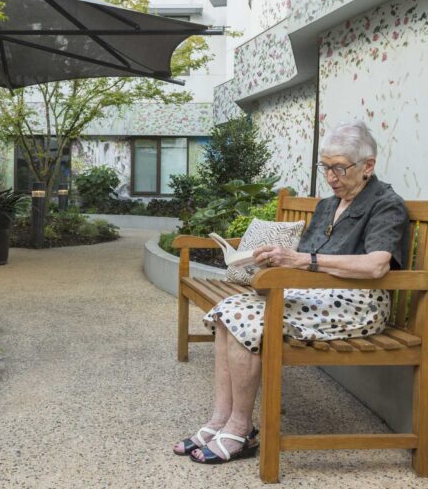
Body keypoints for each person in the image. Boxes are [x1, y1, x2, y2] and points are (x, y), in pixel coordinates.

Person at [173, 120, 409, 465]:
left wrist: (302, 260)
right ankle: (220, 420)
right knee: (228, 310)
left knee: (244, 318)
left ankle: (241, 427)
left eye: (339, 167)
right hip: (318, 296)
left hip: (357, 303)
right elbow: (307, 257)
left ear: (367, 166)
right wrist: (272, 257)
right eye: (326, 167)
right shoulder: (329, 205)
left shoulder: (386, 204)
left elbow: (375, 266)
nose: (331, 176)